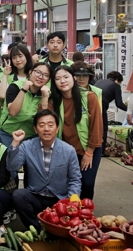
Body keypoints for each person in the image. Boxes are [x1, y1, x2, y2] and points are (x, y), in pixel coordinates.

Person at [7, 110, 81, 231]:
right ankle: (37, 229)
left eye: (50, 125)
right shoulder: (27, 146)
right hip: (36, 196)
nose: (46, 129)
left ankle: (54, 229)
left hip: (59, 199)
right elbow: (12, 167)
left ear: (57, 128)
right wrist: (15, 143)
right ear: (35, 129)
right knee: (18, 195)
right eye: (41, 125)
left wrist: (71, 200)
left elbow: (75, 179)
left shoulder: (69, 150)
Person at [51, 66, 103, 199]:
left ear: (73, 78)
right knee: (67, 183)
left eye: (66, 77)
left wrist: (89, 152)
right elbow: (44, 118)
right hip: (66, 151)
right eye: (58, 78)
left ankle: (86, 212)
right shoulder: (54, 100)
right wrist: (45, 97)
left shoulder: (89, 97)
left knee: (87, 183)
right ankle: (71, 212)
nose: (62, 81)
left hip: (88, 148)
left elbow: (96, 125)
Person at [0, 62, 52, 147]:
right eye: (38, 72)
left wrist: (45, 98)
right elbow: (13, 112)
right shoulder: (15, 86)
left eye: (46, 75)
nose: (41, 77)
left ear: (48, 79)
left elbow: (42, 119)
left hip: (31, 136)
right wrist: (23, 90)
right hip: (8, 133)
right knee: (10, 159)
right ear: (30, 72)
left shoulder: (46, 93)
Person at [94, 71, 128, 153]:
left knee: (93, 127)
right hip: (101, 107)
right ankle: (101, 151)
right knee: (103, 128)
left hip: (91, 105)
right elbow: (119, 104)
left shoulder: (99, 81)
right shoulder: (115, 86)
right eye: (120, 82)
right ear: (117, 80)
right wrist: (129, 110)